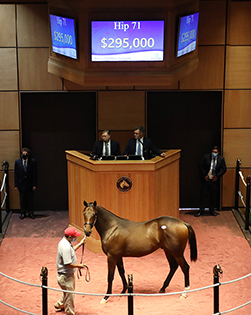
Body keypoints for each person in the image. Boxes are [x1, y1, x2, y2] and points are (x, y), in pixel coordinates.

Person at [55, 227, 87, 315]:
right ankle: (70, 313)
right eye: (74, 236)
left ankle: (60, 304)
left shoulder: (64, 242)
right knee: (70, 296)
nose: (74, 238)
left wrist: (80, 244)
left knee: (68, 292)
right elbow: (68, 263)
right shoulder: (65, 247)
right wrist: (79, 266)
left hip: (66, 275)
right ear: (69, 236)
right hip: (66, 276)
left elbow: (71, 251)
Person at [195, 146, 227, 217]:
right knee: (203, 195)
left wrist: (217, 176)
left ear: (218, 153)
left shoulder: (221, 159)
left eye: (215, 152)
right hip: (205, 179)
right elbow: (200, 166)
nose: (214, 153)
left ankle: (212, 210)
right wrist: (204, 175)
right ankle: (201, 210)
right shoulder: (206, 157)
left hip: (214, 180)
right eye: (213, 152)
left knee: (213, 195)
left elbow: (224, 169)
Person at [14, 147, 37, 219]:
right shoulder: (17, 162)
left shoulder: (32, 161)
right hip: (21, 184)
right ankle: (23, 213)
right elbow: (16, 174)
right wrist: (16, 185)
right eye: (23, 154)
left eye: (26, 154)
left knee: (30, 199)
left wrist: (34, 184)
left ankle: (31, 212)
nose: (24, 155)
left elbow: (35, 174)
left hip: (29, 184)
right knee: (22, 199)